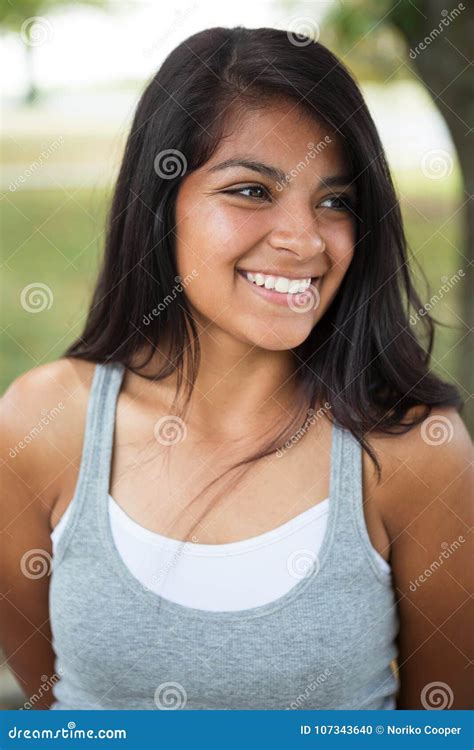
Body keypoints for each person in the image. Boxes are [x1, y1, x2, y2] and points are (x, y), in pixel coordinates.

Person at [1, 26, 472, 711]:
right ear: (162, 206)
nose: (305, 239)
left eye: (336, 201)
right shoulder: (39, 426)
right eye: (252, 191)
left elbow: (441, 724)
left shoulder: (414, 451)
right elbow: (55, 711)